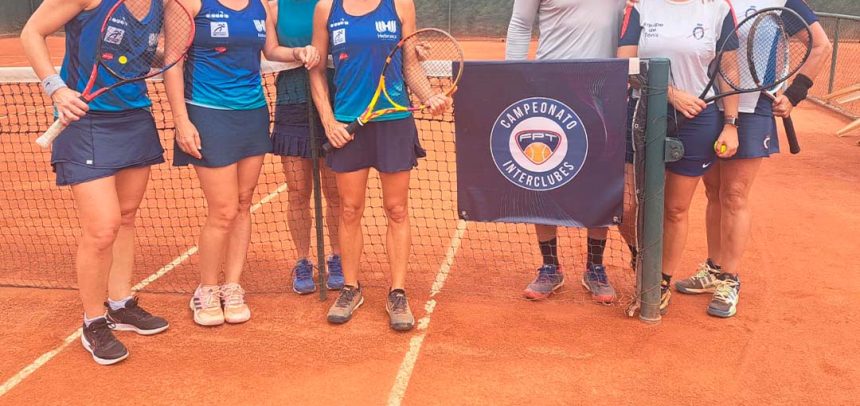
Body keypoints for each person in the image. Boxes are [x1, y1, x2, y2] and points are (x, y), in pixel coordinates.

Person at [20, 0, 170, 365]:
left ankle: (120, 303)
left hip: (135, 117)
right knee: (102, 228)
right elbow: (31, 32)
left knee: (127, 216)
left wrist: (165, 54)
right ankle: (93, 321)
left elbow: (142, 51)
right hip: (85, 119)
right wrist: (56, 88)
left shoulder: (161, 3)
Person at [164, 0, 320, 326]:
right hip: (207, 113)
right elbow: (172, 62)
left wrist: (298, 52)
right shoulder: (188, 4)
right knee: (223, 209)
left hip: (253, 113)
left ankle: (232, 286)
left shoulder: (259, 5)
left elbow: (271, 50)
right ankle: (207, 289)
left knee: (243, 202)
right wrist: (181, 120)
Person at [674, 0, 832, 317]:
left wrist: (795, 93)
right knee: (713, 191)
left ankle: (729, 279)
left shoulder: (781, 2)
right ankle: (714, 268)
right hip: (708, 104)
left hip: (752, 107)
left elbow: (821, 45)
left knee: (734, 194)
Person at [309, 0, 450, 331]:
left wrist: (429, 96)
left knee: (397, 209)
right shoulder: (327, 8)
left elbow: (410, 64)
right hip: (348, 122)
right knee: (349, 209)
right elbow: (316, 69)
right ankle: (350, 288)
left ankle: (397, 292)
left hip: (394, 122)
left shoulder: (400, 5)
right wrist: (328, 121)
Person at [505, 0, 633, 304]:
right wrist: (513, 81)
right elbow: (520, 24)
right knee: (544, 177)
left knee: (601, 181)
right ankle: (550, 266)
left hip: (604, 89)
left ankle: (595, 268)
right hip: (550, 89)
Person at [619, 0, 741, 314]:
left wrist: (731, 124)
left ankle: (659, 282)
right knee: (629, 204)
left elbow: (728, 69)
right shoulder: (640, 6)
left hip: (697, 119)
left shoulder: (718, 9)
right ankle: (641, 257)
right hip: (643, 112)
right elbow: (626, 63)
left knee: (674, 208)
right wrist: (670, 94)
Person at [270, 0, 344, 295]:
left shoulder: (336, 5)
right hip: (292, 102)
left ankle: (338, 257)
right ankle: (303, 260)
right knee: (298, 190)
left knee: (335, 192)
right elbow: (269, 51)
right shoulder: (274, 8)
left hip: (336, 100)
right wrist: (297, 53)